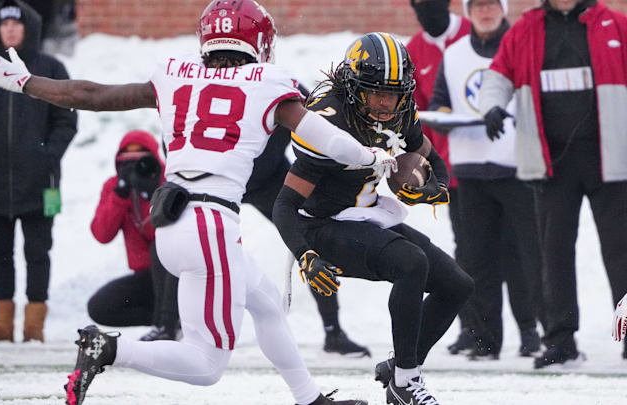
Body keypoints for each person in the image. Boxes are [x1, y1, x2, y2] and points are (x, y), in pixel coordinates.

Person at [0, 1, 395, 403]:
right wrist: (371, 157)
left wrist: (26, 82)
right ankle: (110, 349)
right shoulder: (269, 83)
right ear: (259, 41)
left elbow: (92, 94)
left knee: (266, 303)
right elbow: (323, 137)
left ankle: (309, 398)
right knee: (207, 363)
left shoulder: (176, 74)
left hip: (173, 219)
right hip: (210, 222)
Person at [272, 33, 474, 405]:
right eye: (375, 92)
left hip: (366, 213)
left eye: (393, 93)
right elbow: (284, 206)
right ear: (352, 89)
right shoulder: (327, 121)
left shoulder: (400, 111)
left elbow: (434, 161)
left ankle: (399, 368)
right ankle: (406, 382)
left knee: (457, 285)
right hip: (322, 225)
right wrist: (305, 254)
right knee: (411, 263)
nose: (385, 103)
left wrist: (434, 187)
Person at [143, 83, 371, 358]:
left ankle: (333, 330)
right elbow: (174, 134)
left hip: (266, 177)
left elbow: (319, 120)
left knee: (311, 240)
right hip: (218, 181)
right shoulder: (202, 84)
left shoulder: (278, 84)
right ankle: (167, 325)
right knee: (176, 225)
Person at [479, 0, 627, 367]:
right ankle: (561, 341)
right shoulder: (525, 29)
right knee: (554, 253)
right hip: (551, 162)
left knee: (622, 252)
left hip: (611, 159)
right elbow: (497, 76)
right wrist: (492, 107)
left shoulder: (615, 24)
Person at [428, 0, 543, 360]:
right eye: (477, 5)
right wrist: (443, 116)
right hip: (471, 170)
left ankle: (531, 332)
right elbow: (440, 101)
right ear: (467, 11)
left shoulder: (521, 43)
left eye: (492, 4)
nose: (485, 11)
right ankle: (485, 339)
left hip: (517, 167)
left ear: (503, 8)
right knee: (477, 261)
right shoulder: (455, 53)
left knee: (526, 256)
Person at [0, 0, 77, 343]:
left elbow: (66, 121)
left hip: (41, 186)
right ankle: (2, 327)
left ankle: (34, 328)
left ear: (30, 28)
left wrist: (46, 157)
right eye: (4, 24)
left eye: (16, 24)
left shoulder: (51, 69)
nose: (9, 30)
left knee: (38, 254)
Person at [406, 0, 474, 354]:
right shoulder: (415, 50)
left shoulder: (470, 33)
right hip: (450, 165)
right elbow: (412, 112)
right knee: (468, 248)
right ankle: (475, 330)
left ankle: (530, 329)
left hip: (489, 157)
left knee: (515, 246)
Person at [87, 130, 175, 333]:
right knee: (100, 307)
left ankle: (167, 325)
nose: (135, 170)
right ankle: (161, 320)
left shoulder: (169, 183)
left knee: (159, 247)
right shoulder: (114, 188)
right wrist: (120, 195)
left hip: (175, 274)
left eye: (141, 163)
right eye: (126, 164)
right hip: (146, 278)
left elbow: (169, 237)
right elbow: (102, 234)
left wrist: (153, 195)